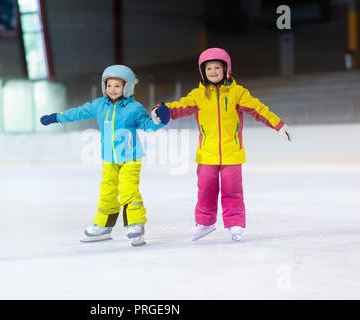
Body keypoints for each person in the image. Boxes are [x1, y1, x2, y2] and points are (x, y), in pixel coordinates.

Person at [150, 48, 292, 241]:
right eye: (209, 68)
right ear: (203, 71)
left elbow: (259, 109)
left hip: (232, 153)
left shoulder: (238, 93)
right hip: (207, 154)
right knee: (205, 188)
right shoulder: (197, 95)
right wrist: (162, 109)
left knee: (232, 190)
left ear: (226, 69)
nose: (213, 71)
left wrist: (279, 125)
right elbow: (179, 106)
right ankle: (205, 223)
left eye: (217, 67)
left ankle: (235, 224)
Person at [40, 65, 170, 246]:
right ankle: (103, 226)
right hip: (109, 159)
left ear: (128, 87)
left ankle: (136, 225)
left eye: (117, 86)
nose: (112, 89)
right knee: (107, 193)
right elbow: (79, 112)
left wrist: (159, 120)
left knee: (128, 191)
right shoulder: (99, 105)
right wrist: (58, 117)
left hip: (130, 158)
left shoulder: (134, 108)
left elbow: (147, 125)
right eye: (109, 85)